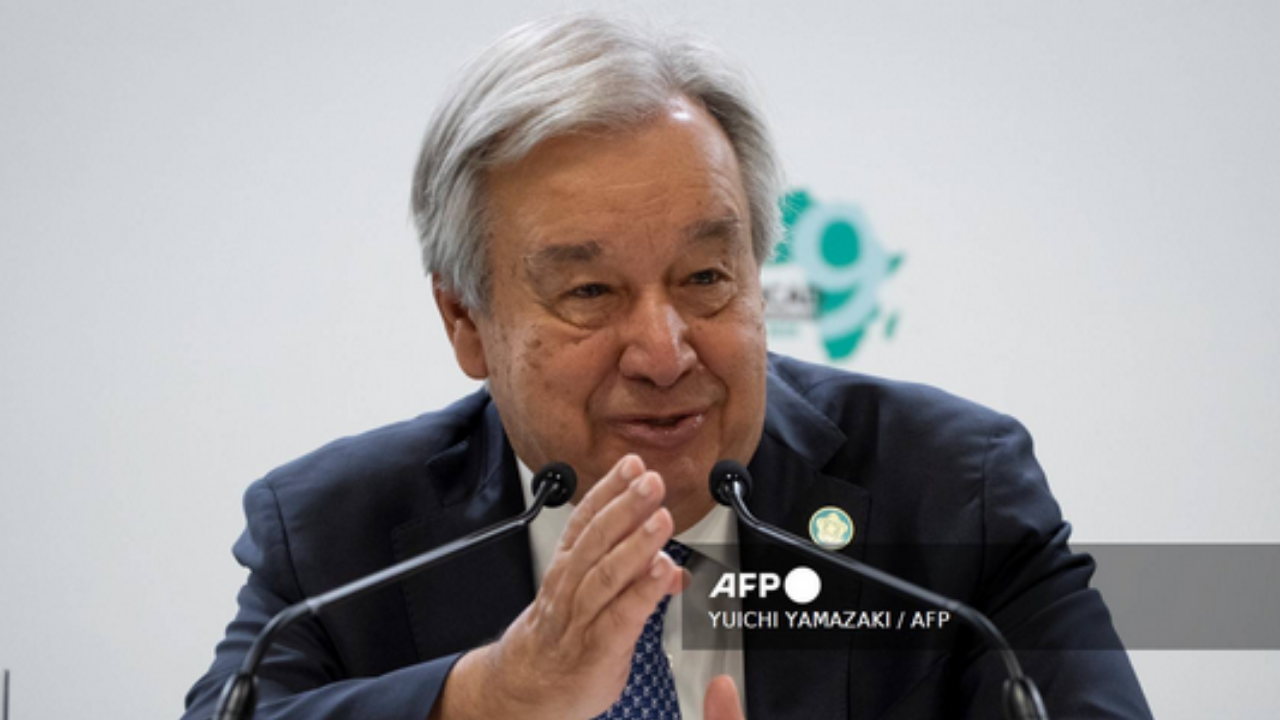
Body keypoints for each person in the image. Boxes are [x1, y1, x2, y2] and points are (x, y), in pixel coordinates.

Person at [181, 14, 1152, 720]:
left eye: (703, 277)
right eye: (590, 293)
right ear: (464, 319)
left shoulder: (949, 493)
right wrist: (494, 698)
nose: (662, 352)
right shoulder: (336, 539)